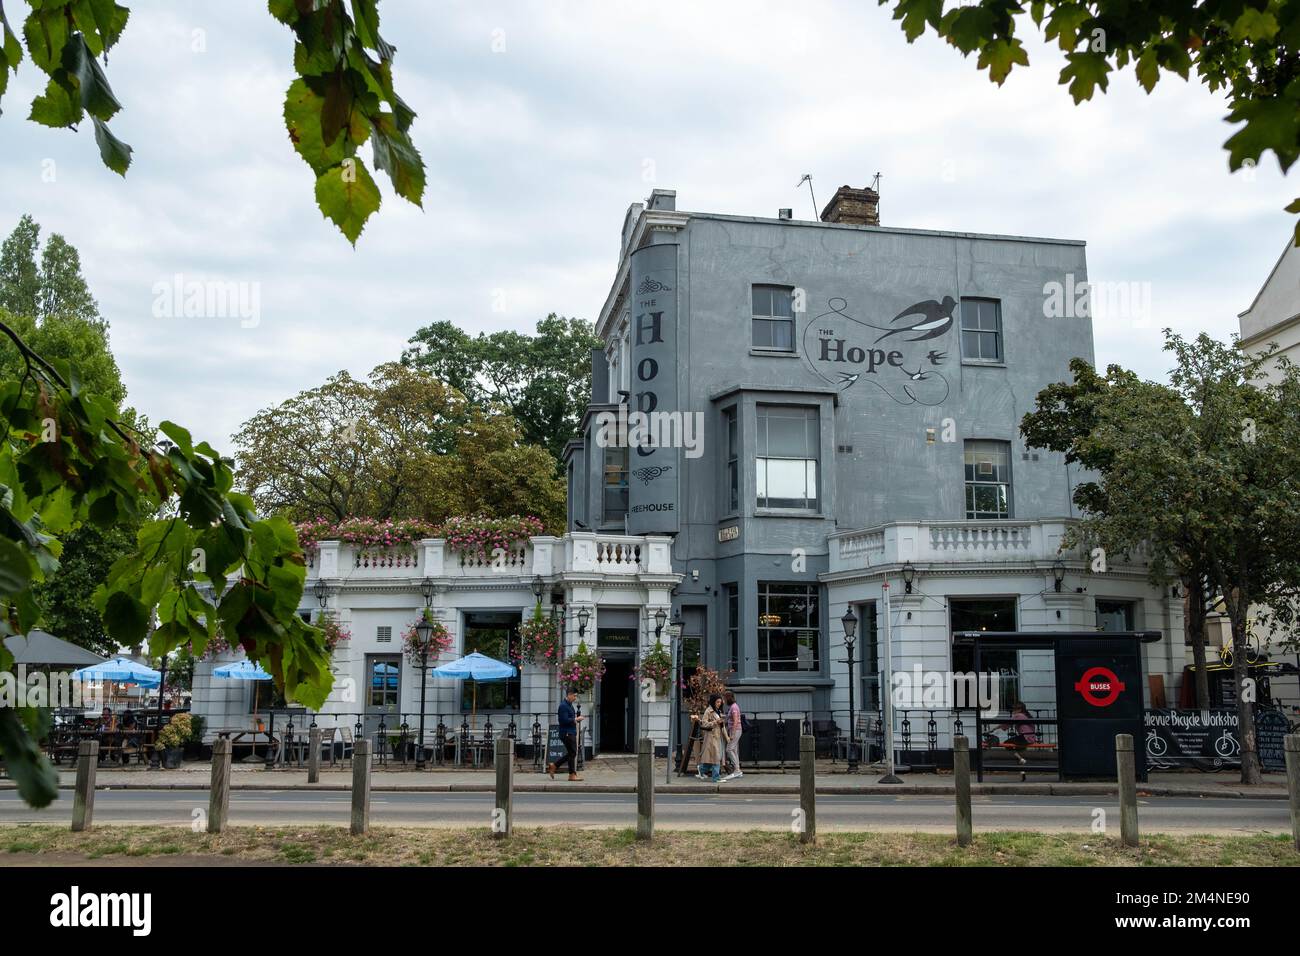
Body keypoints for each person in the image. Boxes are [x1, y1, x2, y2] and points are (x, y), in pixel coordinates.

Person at [547, 688, 586, 781]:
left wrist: (575, 719)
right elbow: (563, 720)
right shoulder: (563, 706)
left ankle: (555, 766)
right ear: (569, 695)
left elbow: (569, 718)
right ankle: (571, 774)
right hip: (567, 733)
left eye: (576, 696)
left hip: (570, 732)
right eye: (574, 696)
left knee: (571, 753)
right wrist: (576, 719)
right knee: (573, 753)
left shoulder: (569, 705)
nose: (575, 698)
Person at [696, 694, 728, 783]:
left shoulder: (718, 711)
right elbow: (704, 723)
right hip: (711, 737)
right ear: (713, 701)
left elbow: (722, 726)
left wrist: (727, 737)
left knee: (714, 757)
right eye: (717, 702)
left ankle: (701, 768)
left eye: (720, 702)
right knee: (716, 757)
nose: (719, 704)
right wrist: (715, 722)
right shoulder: (708, 711)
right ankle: (716, 778)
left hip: (718, 736)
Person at [997, 700, 1038, 766]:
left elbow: (1006, 724)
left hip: (1025, 738)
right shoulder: (1026, 715)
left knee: (1006, 743)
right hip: (1031, 738)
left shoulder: (1019, 715)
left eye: (1014, 709)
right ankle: (1021, 761)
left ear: (1019, 709)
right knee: (1016, 747)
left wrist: (994, 729)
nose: (1013, 711)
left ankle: (1021, 759)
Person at [722, 690, 743, 780]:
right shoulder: (733, 707)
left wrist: (732, 734)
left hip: (735, 730)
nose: (724, 701)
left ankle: (737, 770)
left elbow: (735, 722)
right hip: (735, 730)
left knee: (729, 749)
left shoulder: (734, 707)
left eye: (724, 698)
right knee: (734, 750)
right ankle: (737, 770)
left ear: (728, 698)